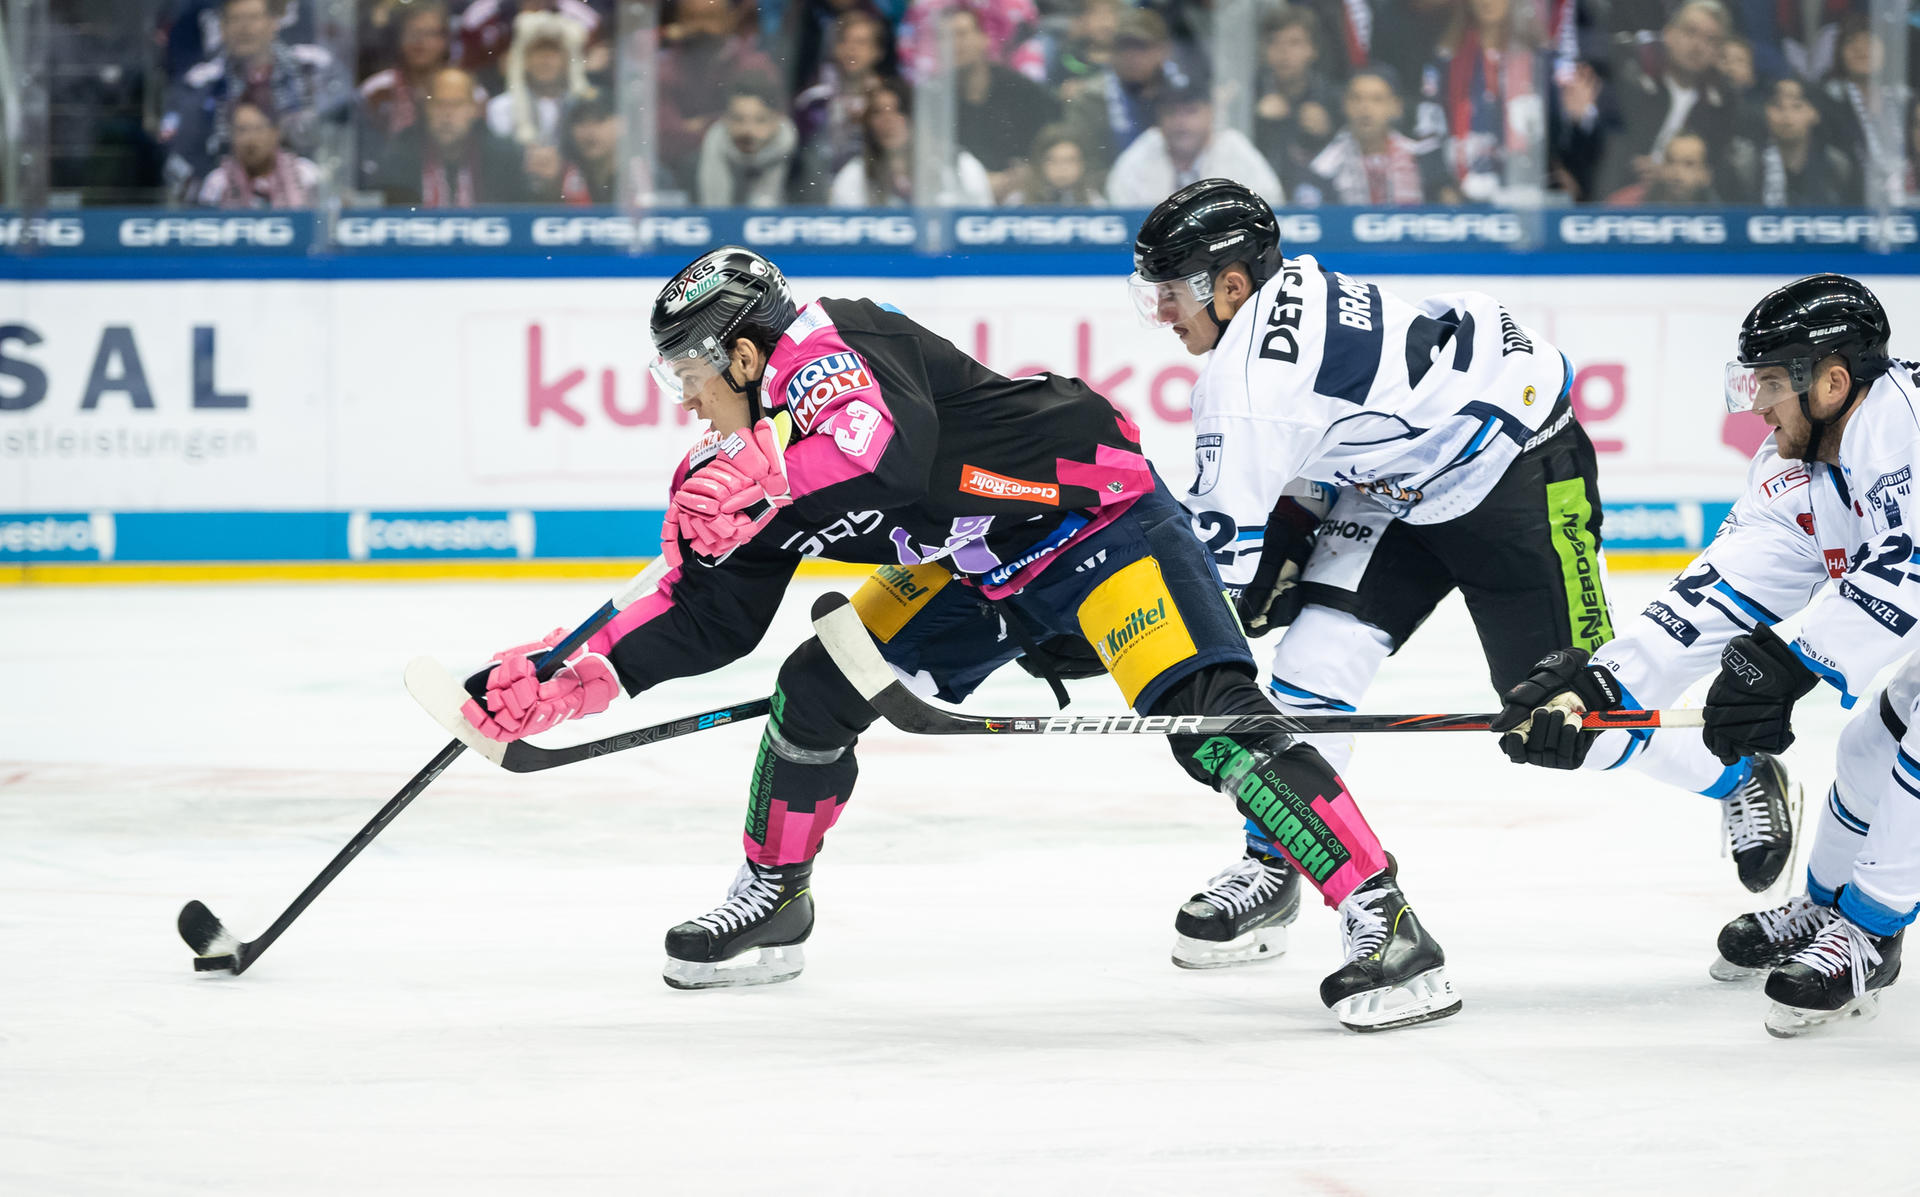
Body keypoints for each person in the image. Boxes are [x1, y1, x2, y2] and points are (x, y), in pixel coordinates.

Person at [460, 245, 1462, 1033]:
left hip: (1099, 523)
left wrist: (765, 478)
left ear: (746, 355)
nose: (682, 396)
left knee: (1212, 725)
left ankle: (1384, 919)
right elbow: (709, 614)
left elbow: (887, 458)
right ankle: (774, 896)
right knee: (816, 688)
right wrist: (577, 674)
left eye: (689, 370)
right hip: (976, 561)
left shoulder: (827, 346)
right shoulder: (732, 466)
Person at [1128, 179, 1795, 963]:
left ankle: (1739, 773)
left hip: (1520, 472)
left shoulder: (1243, 387)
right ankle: (1278, 857)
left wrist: (1121, 624)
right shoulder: (1293, 284)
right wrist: (1294, 525)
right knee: (1311, 664)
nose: (1163, 313)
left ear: (1232, 286)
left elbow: (1216, 578)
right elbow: (1323, 426)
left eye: (1172, 292)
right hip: (1399, 483)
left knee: (1571, 714)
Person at [1493, 275, 1913, 1037]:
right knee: (1868, 743)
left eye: (1772, 383)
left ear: (1832, 381)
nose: (1756, 404)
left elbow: (1910, 566)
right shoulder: (1797, 468)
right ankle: (1827, 908)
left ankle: (1870, 933)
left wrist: (1792, 661)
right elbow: (1724, 584)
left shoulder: (1901, 430)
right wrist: (1606, 684)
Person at [160, 0, 352, 196]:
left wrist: (326, 187)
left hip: (308, 199)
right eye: (236, 19)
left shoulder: (314, 69)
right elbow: (175, 158)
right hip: (222, 203)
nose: (245, 27)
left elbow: (344, 136)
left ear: (274, 22)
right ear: (222, 28)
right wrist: (209, 194)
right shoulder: (199, 84)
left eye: (253, 17)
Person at [1413, 0, 1550, 202]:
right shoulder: (1445, 59)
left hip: (1524, 192)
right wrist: (1441, 185)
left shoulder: (1538, 60)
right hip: (1459, 193)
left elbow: (1553, 129)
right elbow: (1428, 126)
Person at [1599, 0, 1734, 197]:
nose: (1698, 46)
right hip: (1620, 193)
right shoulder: (1631, 78)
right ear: (1668, 33)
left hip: (1686, 202)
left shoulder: (1721, 102)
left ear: (1718, 52)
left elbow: (1715, 169)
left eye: (1710, 40)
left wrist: (1667, 173)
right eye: (1690, 32)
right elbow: (1611, 147)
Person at [1105, 80, 1283, 207]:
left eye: (1191, 112)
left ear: (1210, 114)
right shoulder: (1144, 150)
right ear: (1159, 118)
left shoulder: (1233, 147)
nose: (1181, 122)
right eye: (1171, 113)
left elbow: (1271, 204)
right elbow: (1119, 209)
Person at [947, 6, 1060, 202]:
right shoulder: (934, 101)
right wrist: (980, 183)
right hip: (959, 200)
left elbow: (1051, 139)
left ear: (984, 38)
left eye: (962, 34)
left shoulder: (1021, 89)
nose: (955, 44)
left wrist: (1025, 173)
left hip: (1023, 198)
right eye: (946, 38)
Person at [374, 66, 531, 205]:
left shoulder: (504, 155)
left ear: (473, 109)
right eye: (439, 104)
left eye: (457, 104)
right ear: (426, 108)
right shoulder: (400, 153)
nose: (447, 114)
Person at [828, 75, 993, 206]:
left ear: (915, 118)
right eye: (878, 112)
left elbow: (983, 220)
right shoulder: (854, 176)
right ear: (868, 123)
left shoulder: (958, 165)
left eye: (898, 110)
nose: (888, 120)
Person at [1307, 67, 1456, 206]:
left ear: (1396, 106)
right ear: (1344, 105)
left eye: (1377, 99)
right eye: (1356, 99)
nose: (1365, 108)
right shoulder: (1324, 167)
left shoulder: (1423, 154)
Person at [1726, 77, 1858, 207]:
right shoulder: (1746, 165)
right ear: (1765, 112)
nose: (1787, 116)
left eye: (1796, 106)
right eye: (1778, 106)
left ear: (1814, 113)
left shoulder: (1837, 165)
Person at [1252, 8, 1341, 192]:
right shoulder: (1249, 95)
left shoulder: (1332, 98)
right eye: (1274, 42)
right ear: (1263, 50)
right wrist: (1257, 121)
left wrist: (1328, 133)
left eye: (1294, 43)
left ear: (1313, 50)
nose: (1283, 52)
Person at [693, 74, 799, 206]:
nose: (748, 131)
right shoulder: (694, 167)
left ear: (777, 120)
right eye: (738, 119)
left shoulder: (802, 166)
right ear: (725, 119)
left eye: (760, 120)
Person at [195, 99, 321, 207]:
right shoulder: (217, 183)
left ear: (275, 133)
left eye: (258, 129)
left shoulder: (306, 175)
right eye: (242, 130)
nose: (250, 139)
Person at [1604, 129, 1720, 204]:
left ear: (1706, 175)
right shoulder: (1624, 205)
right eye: (1670, 161)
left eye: (1689, 164)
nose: (1676, 172)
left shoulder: (1722, 216)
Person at [1007, 124, 1104, 205]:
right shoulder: (1019, 202)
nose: (1062, 168)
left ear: (1082, 163)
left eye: (1070, 160)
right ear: (1040, 163)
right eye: (1053, 160)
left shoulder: (1094, 203)